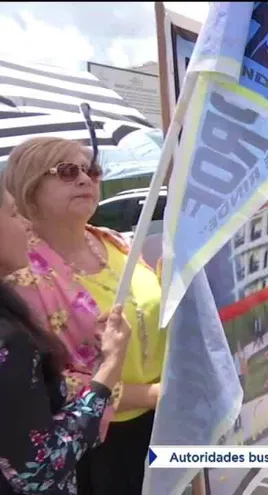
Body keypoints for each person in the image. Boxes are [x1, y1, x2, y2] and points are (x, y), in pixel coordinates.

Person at [3, 137, 167, 494]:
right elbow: (49, 382)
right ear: (29, 187)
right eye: (66, 171)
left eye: (91, 170)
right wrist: (153, 394)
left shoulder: (115, 240)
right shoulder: (19, 275)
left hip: (165, 418)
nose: (84, 179)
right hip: (96, 442)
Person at [0, 186, 132, 495]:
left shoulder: (114, 244)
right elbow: (40, 469)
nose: (26, 224)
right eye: (14, 213)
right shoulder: (8, 341)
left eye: (91, 170)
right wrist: (109, 368)